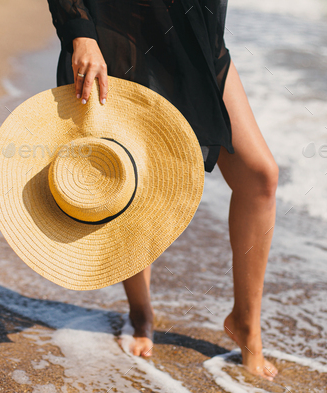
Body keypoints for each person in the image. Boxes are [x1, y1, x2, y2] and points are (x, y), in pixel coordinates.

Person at [47, 0, 279, 380]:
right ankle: (140, 313)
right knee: (131, 181)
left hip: (195, 33)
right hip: (119, 26)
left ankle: (246, 323)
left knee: (260, 176)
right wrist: (81, 35)